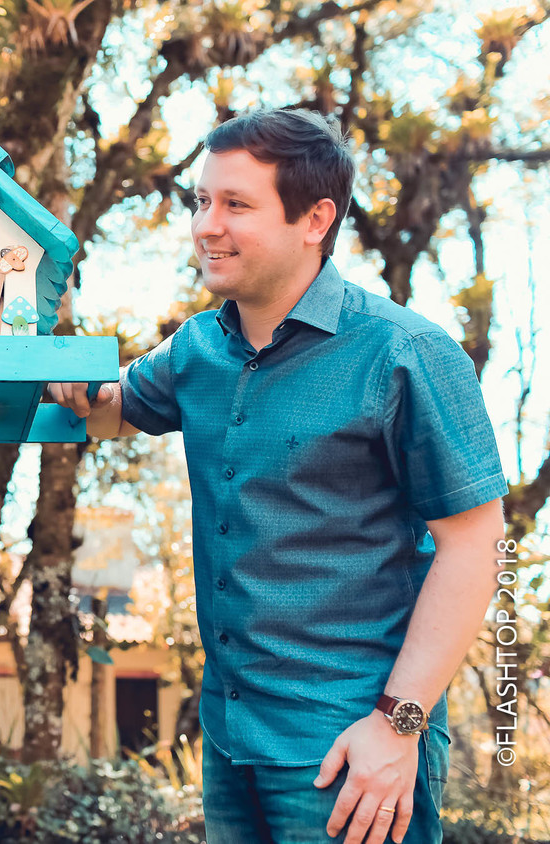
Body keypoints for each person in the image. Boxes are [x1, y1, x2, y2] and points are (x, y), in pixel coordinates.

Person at [51, 108, 505, 844]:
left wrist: (398, 725)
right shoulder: (196, 348)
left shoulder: (407, 353)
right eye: (201, 201)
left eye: (236, 204)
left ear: (315, 219)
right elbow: (108, 407)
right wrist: (48, 372)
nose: (206, 225)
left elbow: (478, 545)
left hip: (350, 746)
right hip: (230, 740)